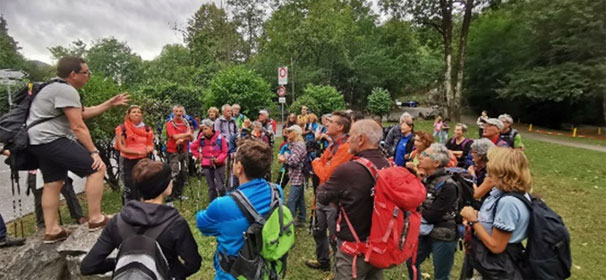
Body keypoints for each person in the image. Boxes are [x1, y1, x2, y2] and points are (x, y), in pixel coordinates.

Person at [26, 56, 128, 243]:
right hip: (52, 139)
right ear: (73, 74)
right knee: (97, 168)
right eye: (86, 72)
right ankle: (96, 218)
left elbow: (82, 112)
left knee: (53, 182)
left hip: (37, 141)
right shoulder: (66, 90)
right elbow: (78, 126)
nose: (88, 76)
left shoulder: (53, 87)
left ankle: (52, 230)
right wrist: (93, 152)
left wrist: (109, 103)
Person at [81, 159, 201, 279]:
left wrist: (124, 262)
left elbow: (88, 266)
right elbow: (193, 264)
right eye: (169, 178)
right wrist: (171, 271)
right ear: (162, 186)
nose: (172, 181)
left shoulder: (117, 222)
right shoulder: (176, 224)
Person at [196, 139, 281, 280]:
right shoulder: (276, 191)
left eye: (235, 160)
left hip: (233, 272)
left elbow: (202, 225)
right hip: (264, 267)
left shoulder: (222, 205)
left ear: (239, 167)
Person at [317, 120, 389, 279]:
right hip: (378, 244)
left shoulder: (348, 170)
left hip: (353, 248)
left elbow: (322, 196)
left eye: (351, 136)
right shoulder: (387, 164)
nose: (348, 139)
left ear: (361, 139)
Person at [460, 147, 532, 279]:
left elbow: (496, 246)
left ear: (502, 172)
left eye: (492, 169)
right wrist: (478, 215)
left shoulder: (509, 202)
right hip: (486, 259)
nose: (488, 172)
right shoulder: (505, 192)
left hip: (494, 265)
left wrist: (473, 220)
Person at [306, 111, 353, 272]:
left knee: (335, 237)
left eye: (331, 122)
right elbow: (323, 167)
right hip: (322, 195)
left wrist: (317, 162)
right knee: (318, 231)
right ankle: (323, 261)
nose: (327, 124)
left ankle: (338, 271)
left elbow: (326, 173)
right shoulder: (333, 145)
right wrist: (321, 164)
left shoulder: (345, 147)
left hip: (334, 200)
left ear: (340, 127)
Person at [407, 143, 459, 280]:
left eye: (426, 155)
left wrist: (414, 208)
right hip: (425, 231)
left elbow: (432, 215)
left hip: (444, 235)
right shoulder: (426, 178)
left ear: (436, 163)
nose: (421, 157)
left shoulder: (448, 185)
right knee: (411, 261)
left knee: (441, 276)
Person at [115, 105, 154, 203]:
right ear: (128, 115)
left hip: (143, 160)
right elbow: (121, 147)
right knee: (129, 186)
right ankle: (129, 209)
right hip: (128, 160)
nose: (136, 114)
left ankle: (142, 206)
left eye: (139, 112)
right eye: (134, 112)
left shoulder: (147, 129)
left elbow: (150, 144)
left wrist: (147, 149)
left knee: (143, 184)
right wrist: (137, 152)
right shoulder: (121, 129)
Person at [191, 119, 229, 202]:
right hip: (206, 164)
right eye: (202, 129)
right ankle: (213, 204)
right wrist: (198, 155)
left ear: (211, 128)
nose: (204, 131)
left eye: (206, 129)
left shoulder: (220, 137)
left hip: (219, 164)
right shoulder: (201, 138)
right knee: (211, 187)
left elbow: (225, 151)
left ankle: (224, 202)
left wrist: (218, 159)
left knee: (221, 186)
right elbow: (193, 147)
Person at [278, 125, 307, 227]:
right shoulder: (293, 144)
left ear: (295, 133)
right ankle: (302, 219)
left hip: (298, 176)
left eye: (290, 132)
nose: (287, 134)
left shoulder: (299, 145)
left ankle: (288, 222)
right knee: (300, 199)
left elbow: (294, 161)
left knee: (291, 200)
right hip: (295, 175)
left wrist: (284, 157)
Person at [165, 105, 194, 201]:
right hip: (173, 151)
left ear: (183, 112)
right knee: (174, 172)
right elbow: (173, 136)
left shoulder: (186, 123)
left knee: (183, 172)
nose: (178, 113)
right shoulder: (170, 123)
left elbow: (192, 137)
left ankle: (179, 193)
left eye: (180, 111)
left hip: (184, 150)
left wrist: (182, 139)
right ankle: (170, 194)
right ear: (173, 112)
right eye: (176, 111)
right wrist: (186, 135)